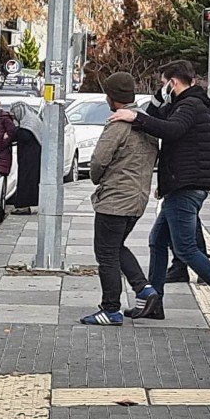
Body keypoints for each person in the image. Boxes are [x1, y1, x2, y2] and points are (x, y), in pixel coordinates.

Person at [111, 60, 210, 327]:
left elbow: (170, 130)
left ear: (173, 83)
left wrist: (135, 116)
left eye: (164, 84)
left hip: (186, 186)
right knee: (157, 240)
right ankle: (155, 302)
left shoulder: (190, 105)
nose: (163, 88)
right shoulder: (191, 104)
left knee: (186, 248)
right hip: (183, 184)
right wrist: (155, 100)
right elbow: (159, 120)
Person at [81, 72, 159, 326]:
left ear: (112, 97)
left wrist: (96, 178)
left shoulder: (117, 125)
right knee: (116, 247)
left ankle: (111, 309)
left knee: (105, 254)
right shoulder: (146, 124)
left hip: (115, 198)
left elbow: (99, 161)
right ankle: (144, 289)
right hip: (138, 198)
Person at [8, 102, 42, 215]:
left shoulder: (29, 122)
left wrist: (15, 130)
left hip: (31, 157)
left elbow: (25, 135)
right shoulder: (27, 119)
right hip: (28, 156)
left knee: (28, 180)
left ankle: (26, 204)